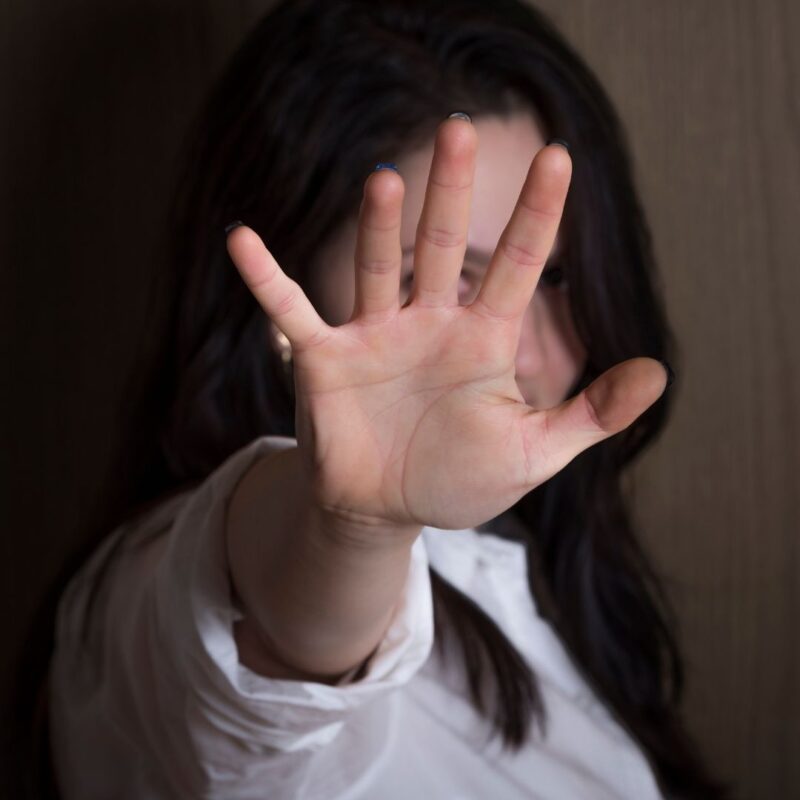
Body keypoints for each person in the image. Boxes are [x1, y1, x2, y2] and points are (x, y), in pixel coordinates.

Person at [45, 0, 727, 797]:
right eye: (438, 283)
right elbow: (268, 665)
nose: (534, 353)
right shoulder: (147, 600)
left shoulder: (549, 572)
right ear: (279, 294)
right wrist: (354, 529)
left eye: (559, 277)